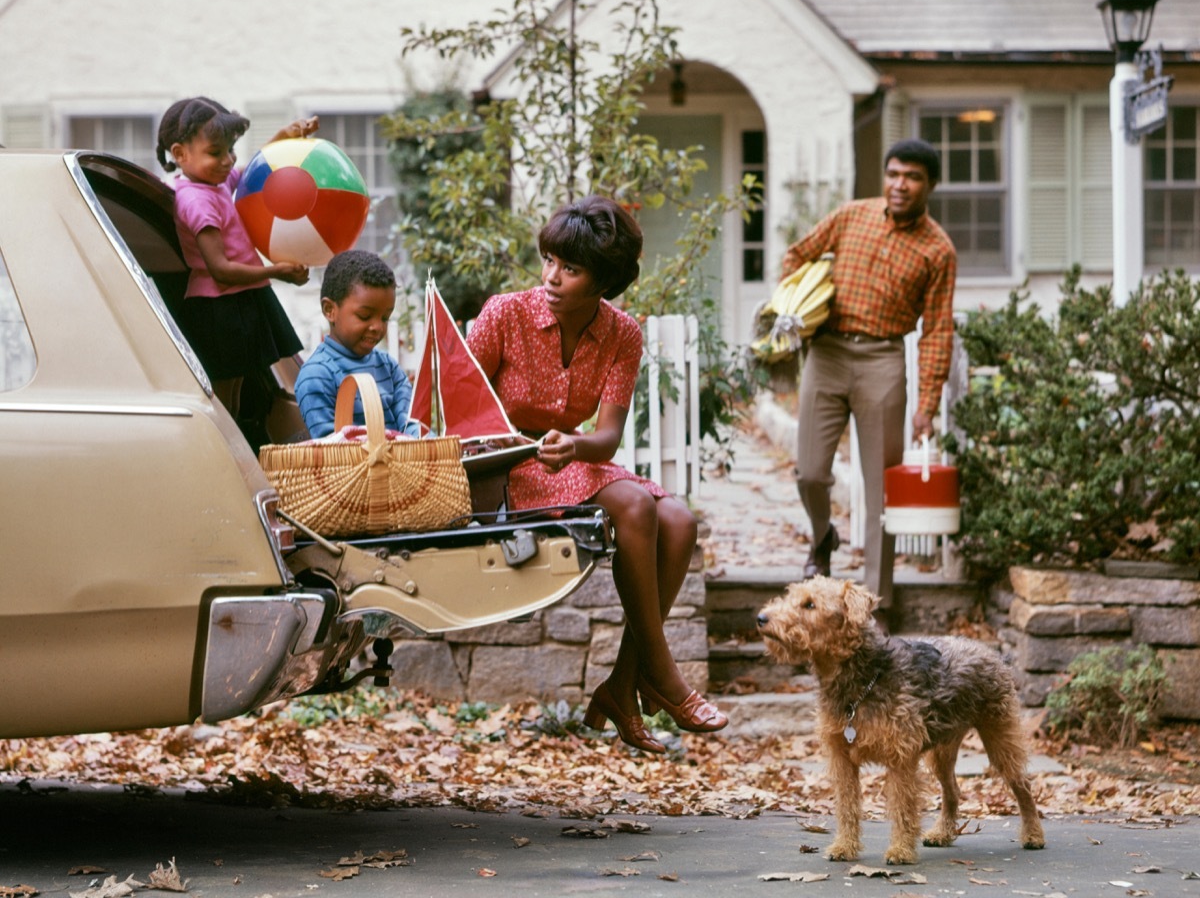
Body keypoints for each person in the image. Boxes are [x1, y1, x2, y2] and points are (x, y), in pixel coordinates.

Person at [466, 195, 727, 753]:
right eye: (550, 261)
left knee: (679, 520)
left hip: (574, 459)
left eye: (571, 268)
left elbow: (606, 435)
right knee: (636, 505)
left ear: (602, 282)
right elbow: (458, 408)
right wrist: (523, 446)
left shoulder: (622, 334)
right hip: (509, 465)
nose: (552, 278)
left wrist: (576, 444)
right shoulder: (504, 314)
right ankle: (662, 681)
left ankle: (622, 684)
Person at [781, 138, 957, 629]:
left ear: (930, 185)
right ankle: (822, 539)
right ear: (885, 177)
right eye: (894, 174)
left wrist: (927, 403)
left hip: (883, 358)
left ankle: (876, 603)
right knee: (810, 472)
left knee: (882, 489)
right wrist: (797, 305)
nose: (900, 184)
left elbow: (938, 328)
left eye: (913, 177)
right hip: (828, 351)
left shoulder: (938, 250)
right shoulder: (851, 216)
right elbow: (796, 256)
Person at [156, 96, 317, 419]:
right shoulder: (196, 201)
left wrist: (283, 137)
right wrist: (277, 271)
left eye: (230, 150)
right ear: (180, 154)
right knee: (222, 401)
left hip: (238, 302)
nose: (228, 160)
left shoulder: (212, 182)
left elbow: (251, 171)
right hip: (220, 310)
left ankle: (236, 454)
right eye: (216, 152)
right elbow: (221, 270)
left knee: (237, 395)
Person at [295, 249, 421, 438]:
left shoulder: (389, 368)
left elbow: (412, 423)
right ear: (330, 310)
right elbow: (331, 447)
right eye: (365, 316)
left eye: (385, 318)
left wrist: (425, 439)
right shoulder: (316, 375)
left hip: (402, 464)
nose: (377, 327)